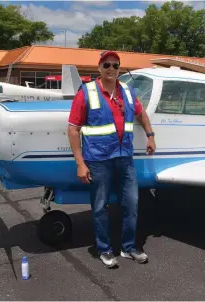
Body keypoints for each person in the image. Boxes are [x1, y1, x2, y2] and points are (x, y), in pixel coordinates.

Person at [67, 50, 156, 268]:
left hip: (124, 157)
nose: (111, 69)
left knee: (132, 204)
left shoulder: (126, 90)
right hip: (98, 160)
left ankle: (128, 247)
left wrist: (150, 135)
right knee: (99, 206)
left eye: (115, 65)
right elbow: (72, 129)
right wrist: (80, 163)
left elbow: (140, 112)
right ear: (99, 68)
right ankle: (104, 249)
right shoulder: (86, 92)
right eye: (106, 65)